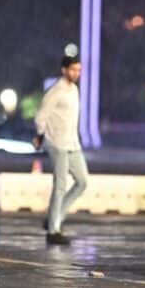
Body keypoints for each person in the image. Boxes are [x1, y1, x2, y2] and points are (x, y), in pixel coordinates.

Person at [32, 54, 89, 245]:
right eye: (73, 69)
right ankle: (53, 230)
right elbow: (41, 115)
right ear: (64, 70)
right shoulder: (56, 90)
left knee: (82, 181)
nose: (76, 73)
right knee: (60, 185)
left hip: (73, 143)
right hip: (57, 143)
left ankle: (53, 217)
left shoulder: (74, 90)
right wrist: (40, 135)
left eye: (78, 70)